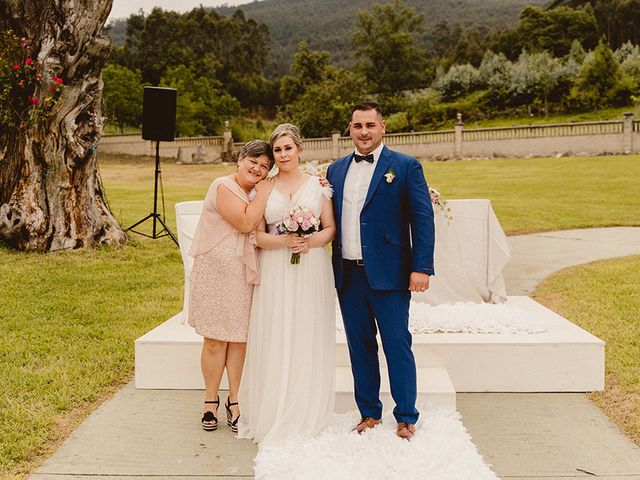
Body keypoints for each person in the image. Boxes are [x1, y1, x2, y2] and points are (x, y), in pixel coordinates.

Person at [326, 102, 435, 440]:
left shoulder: (404, 166)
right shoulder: (335, 170)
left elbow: (422, 219)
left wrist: (422, 267)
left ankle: (405, 416)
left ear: (383, 126)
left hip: (390, 272)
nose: (364, 132)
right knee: (360, 346)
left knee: (396, 343)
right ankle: (369, 413)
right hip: (348, 275)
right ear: (350, 128)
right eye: (358, 126)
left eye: (370, 125)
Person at [238, 124, 336, 444]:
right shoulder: (264, 187)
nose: (283, 155)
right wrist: (286, 242)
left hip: (311, 266)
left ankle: (306, 406)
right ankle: (276, 408)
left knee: (306, 331)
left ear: (300, 150)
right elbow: (259, 235)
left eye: (288, 149)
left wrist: (309, 243)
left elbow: (329, 228)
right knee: (277, 331)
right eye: (277, 150)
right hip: (276, 268)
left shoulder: (319, 185)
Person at [188, 140, 274, 432]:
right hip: (215, 271)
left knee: (239, 339)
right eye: (253, 162)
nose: (258, 169)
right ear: (239, 159)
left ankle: (235, 400)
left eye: (264, 167)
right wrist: (264, 190)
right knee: (214, 339)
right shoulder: (222, 186)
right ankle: (210, 401)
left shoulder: (257, 191)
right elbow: (246, 222)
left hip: (243, 274)